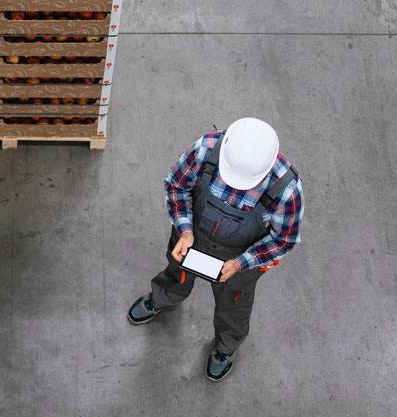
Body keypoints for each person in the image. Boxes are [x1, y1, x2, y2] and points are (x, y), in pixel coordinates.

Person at [127, 118, 303, 381]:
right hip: (192, 236)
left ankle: (225, 347)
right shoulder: (205, 149)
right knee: (177, 271)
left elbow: (283, 240)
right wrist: (185, 230)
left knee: (234, 303)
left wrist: (241, 263)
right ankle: (163, 297)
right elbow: (177, 186)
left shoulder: (287, 191)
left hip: (240, 258)